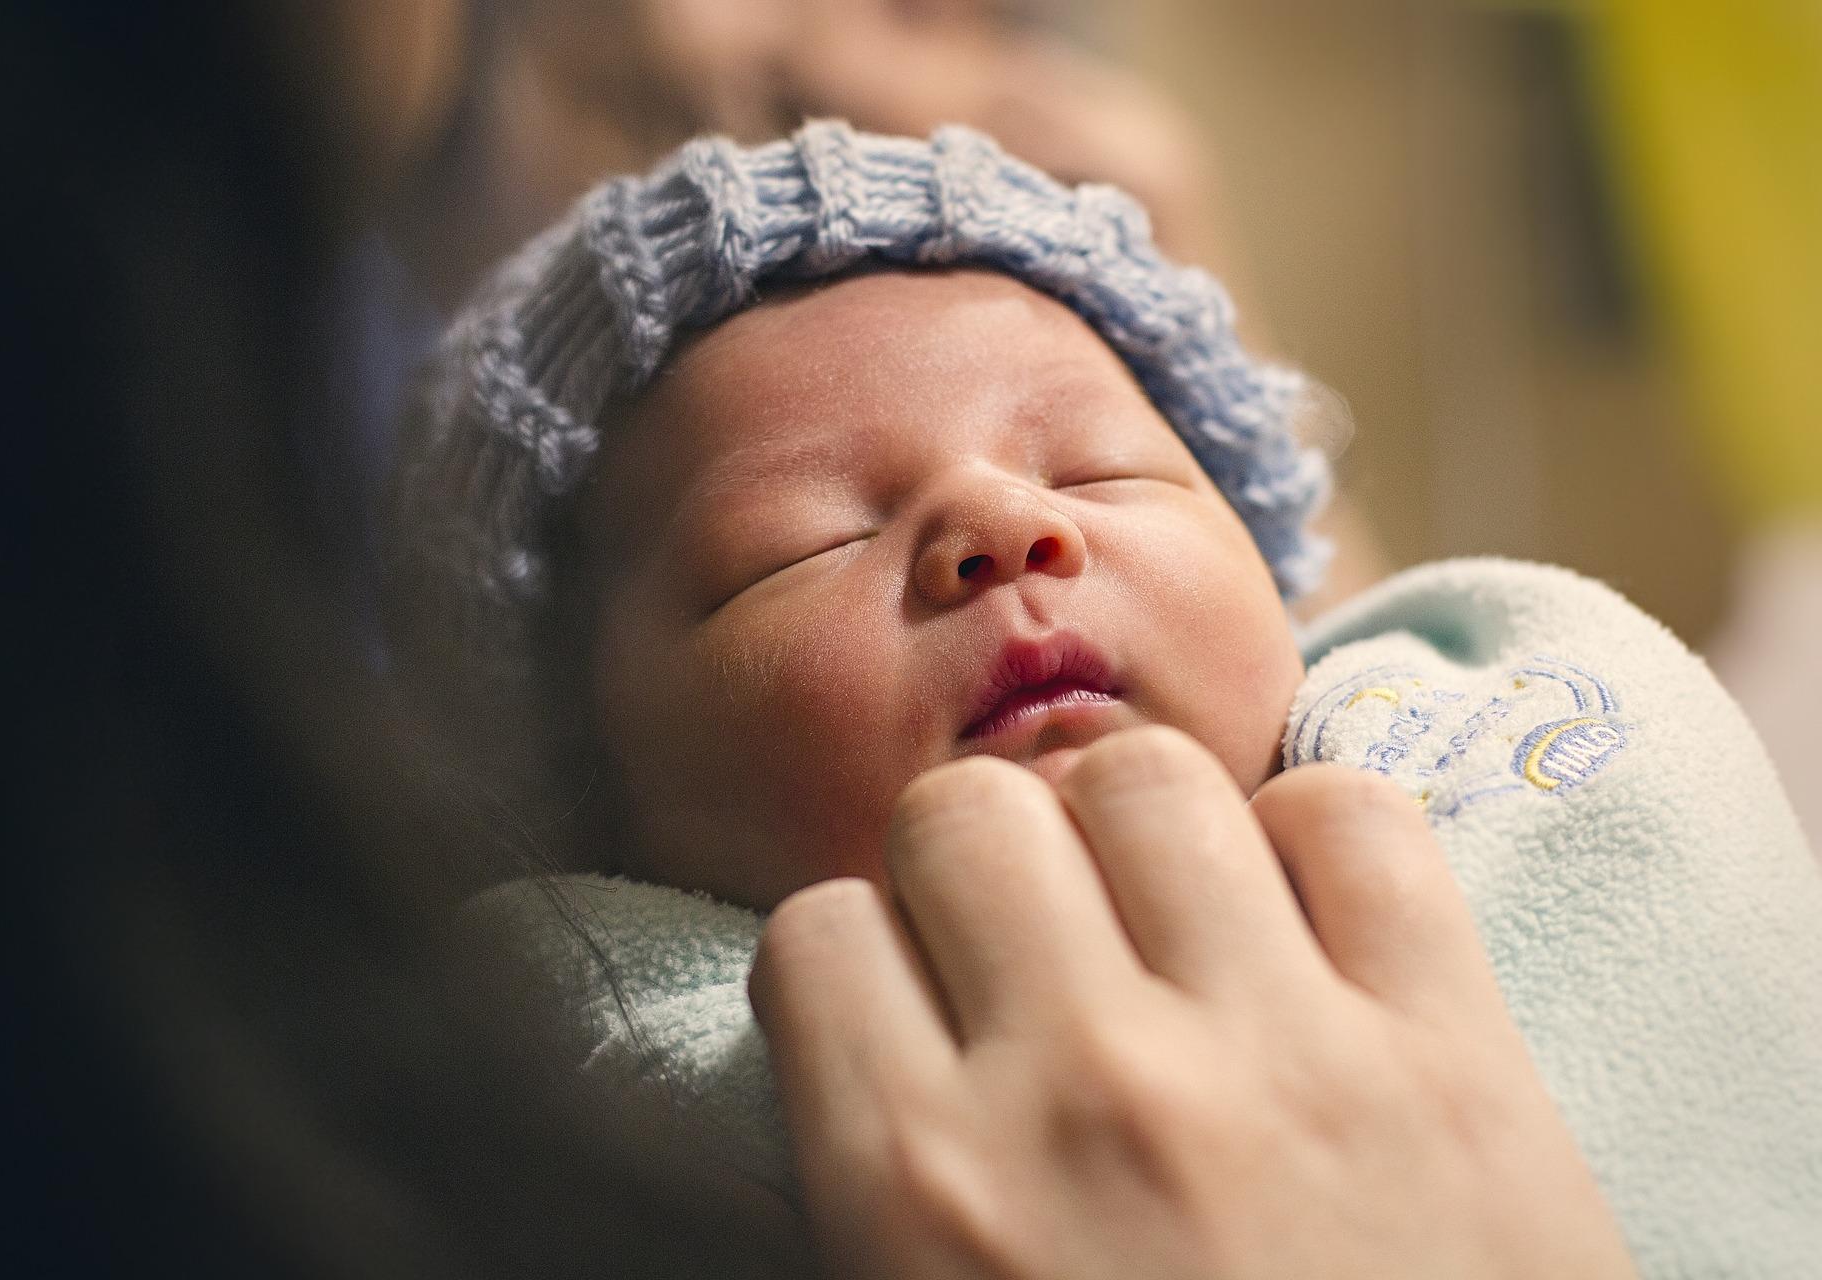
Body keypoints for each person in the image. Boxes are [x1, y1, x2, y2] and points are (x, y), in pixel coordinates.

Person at [397, 122, 1822, 1276]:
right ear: (585, 792)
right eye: (798, 542)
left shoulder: (1470, 724)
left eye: (1098, 471)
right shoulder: (586, 1068)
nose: (1008, 526)